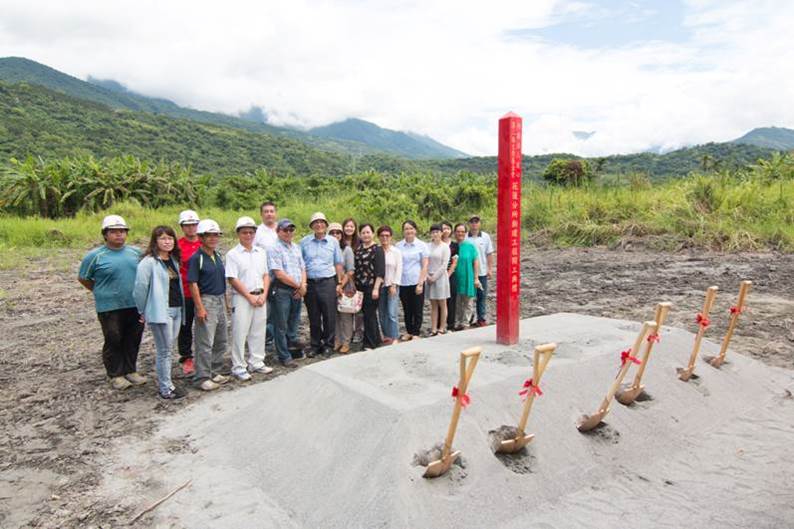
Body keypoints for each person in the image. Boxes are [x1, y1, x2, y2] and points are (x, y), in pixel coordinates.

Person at [78, 215, 145, 390]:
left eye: (122, 231)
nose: (119, 235)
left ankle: (131, 370)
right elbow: (84, 278)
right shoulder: (95, 256)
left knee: (133, 338)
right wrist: (101, 291)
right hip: (109, 306)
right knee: (113, 338)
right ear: (105, 234)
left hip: (134, 303)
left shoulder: (136, 252)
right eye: (114, 232)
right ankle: (115, 374)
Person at [133, 226, 185, 399]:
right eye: (163, 238)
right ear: (155, 241)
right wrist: (143, 310)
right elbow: (140, 289)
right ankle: (166, 388)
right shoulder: (148, 263)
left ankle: (168, 382)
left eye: (170, 238)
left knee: (169, 348)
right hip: (161, 311)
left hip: (177, 308)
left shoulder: (173, 260)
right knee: (165, 350)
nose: (167, 241)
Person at [226, 216, 272, 382]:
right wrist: (249, 296)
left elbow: (266, 275)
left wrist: (264, 294)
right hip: (243, 297)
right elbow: (232, 278)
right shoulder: (233, 254)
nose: (248, 235)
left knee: (258, 330)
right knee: (240, 331)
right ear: (239, 234)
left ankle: (257, 361)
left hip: (260, 294)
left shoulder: (261, 252)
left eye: (251, 232)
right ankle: (238, 366)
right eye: (244, 232)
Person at [187, 219, 229, 391]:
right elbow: (193, 283)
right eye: (208, 235)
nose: (213, 238)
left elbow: (222, 281)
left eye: (215, 235)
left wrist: (226, 302)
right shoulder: (197, 258)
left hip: (219, 299)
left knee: (221, 339)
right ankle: (201, 376)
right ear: (201, 237)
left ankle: (214, 370)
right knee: (205, 341)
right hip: (207, 300)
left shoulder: (217, 255)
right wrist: (200, 307)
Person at [300, 212, 343, 357]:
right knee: (313, 316)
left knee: (329, 315)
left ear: (326, 225)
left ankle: (328, 344)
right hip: (311, 283)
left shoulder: (333, 242)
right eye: (316, 222)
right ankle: (315, 345)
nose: (319, 225)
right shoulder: (304, 242)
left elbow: (338, 263)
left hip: (328, 282)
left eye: (322, 222)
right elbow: (301, 265)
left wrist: (339, 283)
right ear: (312, 226)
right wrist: (303, 283)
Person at [269, 219, 307, 368]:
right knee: (281, 324)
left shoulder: (296, 247)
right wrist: (299, 286)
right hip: (282, 290)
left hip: (297, 289)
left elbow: (303, 268)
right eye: (285, 230)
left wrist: (303, 285)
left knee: (294, 322)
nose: (288, 233)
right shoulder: (274, 248)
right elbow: (279, 273)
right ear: (278, 231)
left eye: (291, 230)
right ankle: (284, 356)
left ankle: (292, 349)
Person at [176, 209, 201, 376]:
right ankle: (186, 358)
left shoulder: (204, 243)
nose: (191, 228)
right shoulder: (177, 246)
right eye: (187, 225)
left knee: (204, 325)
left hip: (203, 292)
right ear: (182, 227)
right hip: (184, 292)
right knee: (185, 327)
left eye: (193, 224)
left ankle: (204, 356)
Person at [396, 220, 429, 341]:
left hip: (417, 281)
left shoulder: (422, 245)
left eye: (411, 228)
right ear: (403, 231)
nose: (409, 231)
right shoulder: (398, 246)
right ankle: (409, 331)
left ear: (415, 230)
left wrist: (421, 283)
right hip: (403, 281)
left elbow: (425, 265)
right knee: (406, 308)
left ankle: (416, 332)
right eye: (406, 229)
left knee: (417, 308)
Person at [354, 224, 385, 350]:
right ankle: (376, 339)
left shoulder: (377, 249)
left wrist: (376, 288)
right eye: (363, 232)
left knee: (370, 314)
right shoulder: (359, 249)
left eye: (368, 232)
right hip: (360, 286)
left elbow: (380, 271)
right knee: (365, 314)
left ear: (372, 234)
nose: (366, 235)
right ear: (360, 235)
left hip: (372, 286)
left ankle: (370, 343)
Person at [254, 201, 278, 350]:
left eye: (271, 211)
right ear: (261, 214)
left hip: (280, 273)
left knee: (280, 308)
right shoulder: (257, 232)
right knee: (266, 309)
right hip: (265, 274)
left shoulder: (281, 229)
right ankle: (266, 339)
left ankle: (278, 338)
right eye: (266, 211)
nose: (269, 214)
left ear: (276, 213)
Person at [329, 222, 355, 354]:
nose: (335, 235)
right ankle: (337, 340)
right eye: (332, 232)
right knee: (335, 315)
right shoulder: (327, 248)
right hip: (329, 284)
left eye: (338, 232)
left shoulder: (347, 249)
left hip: (344, 285)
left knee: (345, 315)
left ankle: (346, 341)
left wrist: (340, 285)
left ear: (342, 234)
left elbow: (350, 271)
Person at [453, 223, 481, 330]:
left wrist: (476, 278)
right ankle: (458, 322)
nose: (460, 233)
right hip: (455, 278)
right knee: (457, 301)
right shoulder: (452, 246)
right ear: (454, 232)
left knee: (468, 301)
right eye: (458, 231)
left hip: (468, 277)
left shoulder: (470, 246)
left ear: (465, 233)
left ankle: (465, 323)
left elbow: (475, 262)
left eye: (462, 232)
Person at [467, 215, 495, 326]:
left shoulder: (485, 236)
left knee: (481, 296)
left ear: (479, 223)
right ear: (469, 224)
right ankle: (468, 318)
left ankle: (481, 318)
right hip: (469, 272)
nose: (474, 224)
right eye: (472, 222)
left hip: (482, 271)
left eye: (476, 221)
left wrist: (490, 269)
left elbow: (489, 254)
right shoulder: (465, 237)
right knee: (468, 297)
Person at [377, 225, 402, 345]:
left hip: (392, 285)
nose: (384, 238)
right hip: (380, 286)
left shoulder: (396, 252)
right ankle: (386, 335)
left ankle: (395, 336)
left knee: (392, 312)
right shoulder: (377, 250)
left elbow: (399, 269)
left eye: (387, 235)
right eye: (382, 236)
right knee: (382, 313)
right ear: (378, 237)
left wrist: (394, 285)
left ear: (391, 237)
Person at [426, 224, 452, 335]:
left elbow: (444, 265)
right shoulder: (427, 246)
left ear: (441, 233)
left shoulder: (445, 247)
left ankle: (441, 328)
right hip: (429, 276)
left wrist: (434, 277)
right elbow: (424, 262)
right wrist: (427, 276)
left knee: (442, 302)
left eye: (437, 232)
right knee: (433, 304)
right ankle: (433, 329)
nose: (435, 234)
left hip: (441, 277)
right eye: (433, 232)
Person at [441, 221, 459, 331]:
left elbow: (454, 262)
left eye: (447, 228)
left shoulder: (455, 245)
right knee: (439, 301)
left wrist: (447, 275)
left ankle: (450, 325)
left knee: (451, 300)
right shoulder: (435, 244)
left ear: (451, 230)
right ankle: (439, 325)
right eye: (443, 228)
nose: (445, 231)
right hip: (438, 276)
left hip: (450, 276)